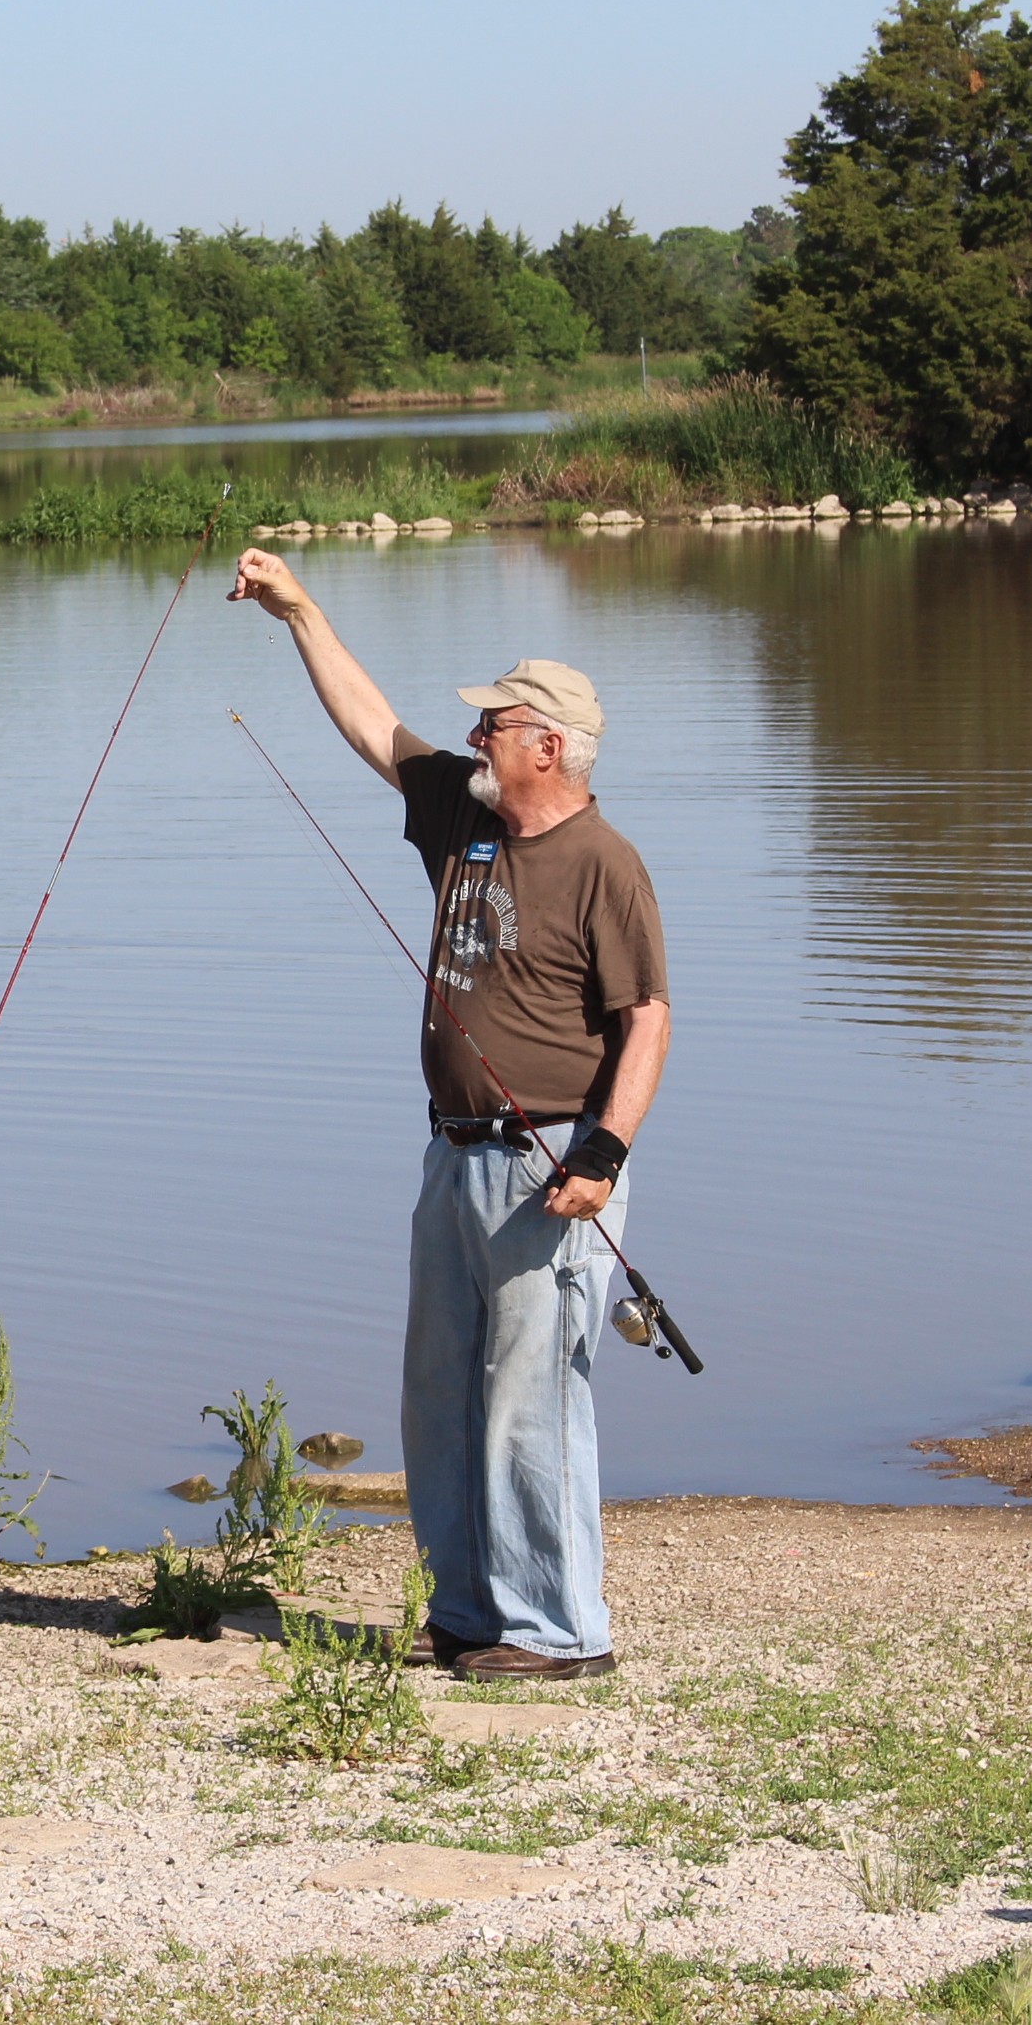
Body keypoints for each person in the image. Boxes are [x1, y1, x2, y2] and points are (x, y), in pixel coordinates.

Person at [229, 549, 670, 1680]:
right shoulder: (461, 821)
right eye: (480, 727)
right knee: (439, 1394)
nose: (475, 739)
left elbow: (648, 1020)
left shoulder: (604, 862)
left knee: (532, 1405)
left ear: (550, 747)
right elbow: (374, 725)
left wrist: (605, 1157)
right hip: (451, 1161)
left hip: (552, 1166)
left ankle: (558, 1631)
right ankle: (469, 1612)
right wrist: (300, 613)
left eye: (497, 726)